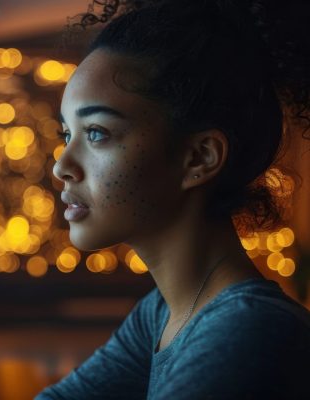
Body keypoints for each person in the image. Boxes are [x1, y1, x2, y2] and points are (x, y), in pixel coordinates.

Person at [36, 0, 310, 398]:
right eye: (67, 134)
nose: (62, 166)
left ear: (199, 158)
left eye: (96, 133)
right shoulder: (162, 312)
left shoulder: (248, 332)